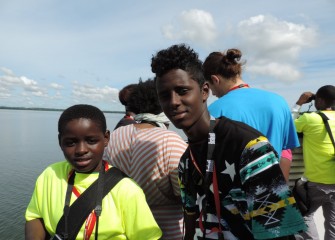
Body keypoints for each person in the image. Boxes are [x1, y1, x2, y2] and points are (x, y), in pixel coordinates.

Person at [151, 43, 306, 239]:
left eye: (182, 91)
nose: (173, 102)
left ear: (205, 91)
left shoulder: (249, 147)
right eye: (164, 96)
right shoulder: (186, 161)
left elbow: (278, 230)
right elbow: (190, 222)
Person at [25, 104, 162, 240]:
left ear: (106, 138)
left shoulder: (127, 190)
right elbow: (35, 216)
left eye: (91, 141)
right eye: (71, 142)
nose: (81, 150)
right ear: (60, 142)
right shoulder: (50, 175)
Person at [104, 79, 187, 239]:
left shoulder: (114, 136)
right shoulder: (170, 141)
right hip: (167, 231)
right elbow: (184, 196)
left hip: (123, 228)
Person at [202, 49, 300, 182]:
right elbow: (286, 153)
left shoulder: (213, 110)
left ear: (215, 79)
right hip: (273, 191)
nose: (213, 93)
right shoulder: (280, 102)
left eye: (210, 87)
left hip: (234, 195)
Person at [293, 85, 335, 240]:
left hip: (316, 181)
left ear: (321, 100)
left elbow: (287, 127)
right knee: (333, 222)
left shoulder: (310, 118)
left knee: (303, 216)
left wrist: (299, 103)